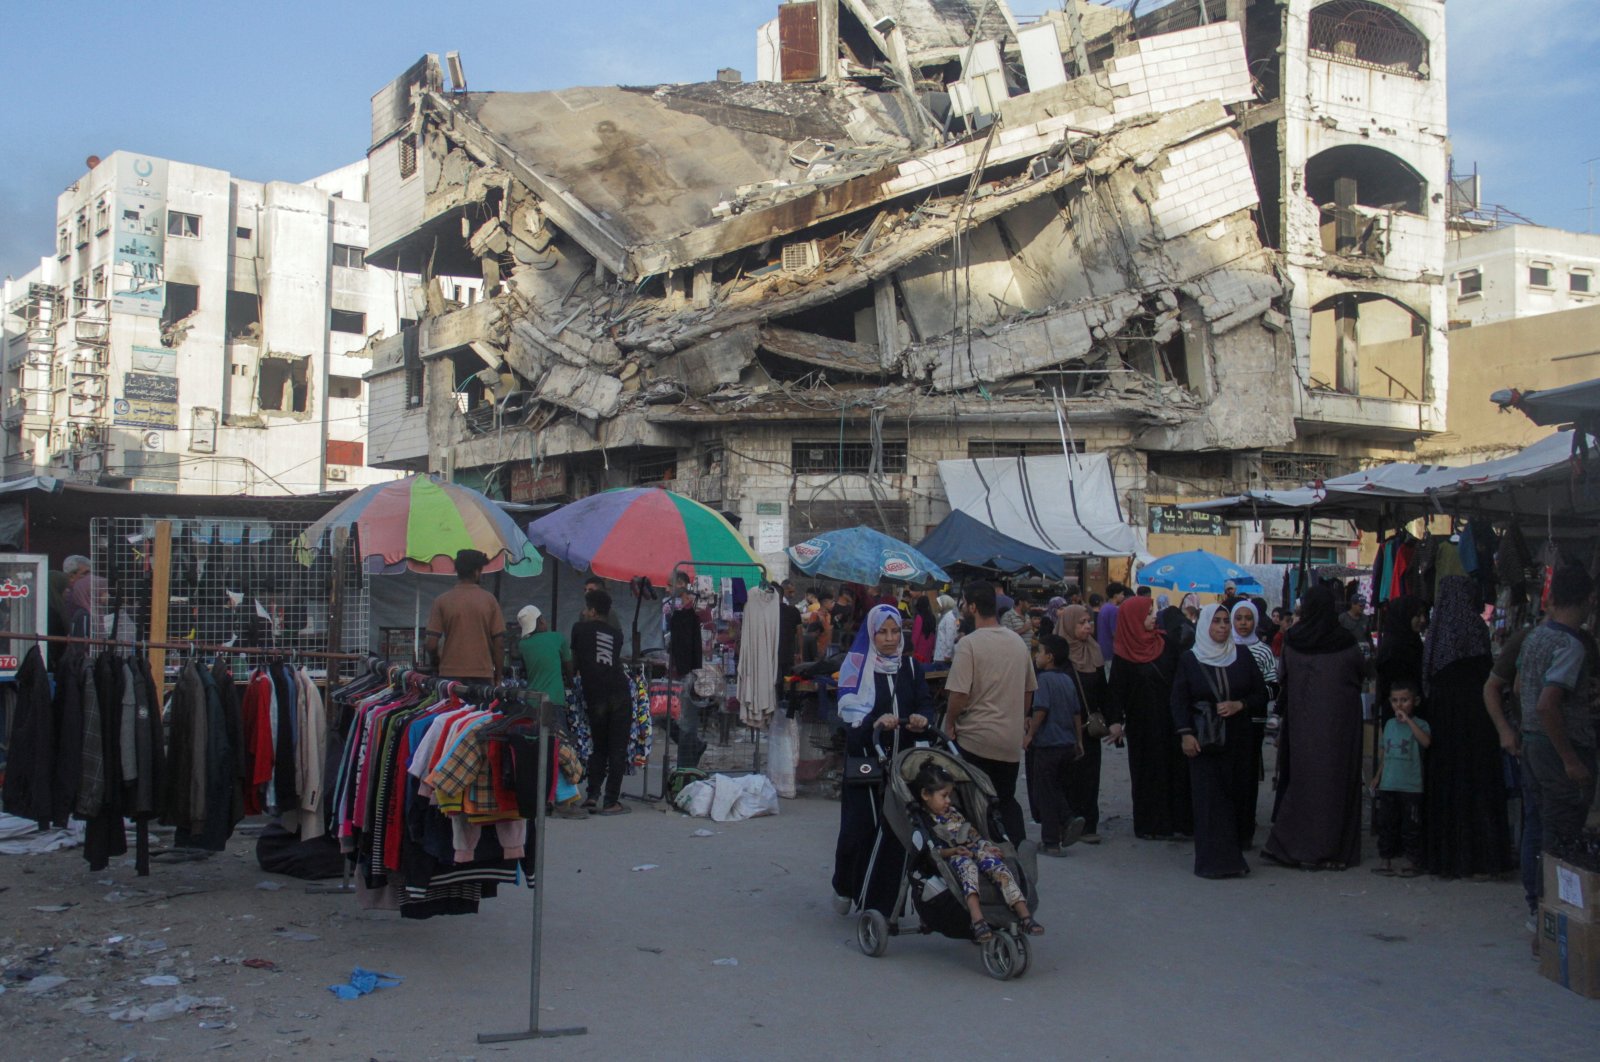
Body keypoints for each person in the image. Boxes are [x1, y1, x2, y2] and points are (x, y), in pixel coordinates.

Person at [831, 605, 933, 914]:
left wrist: (921, 719)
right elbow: (851, 717)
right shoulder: (857, 668)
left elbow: (926, 704)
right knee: (858, 829)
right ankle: (844, 885)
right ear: (871, 633)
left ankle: (879, 902)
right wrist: (876, 721)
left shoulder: (911, 668)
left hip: (903, 764)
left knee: (895, 833)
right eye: (882, 632)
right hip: (865, 762)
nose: (889, 638)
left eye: (894, 631)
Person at [1261, 586, 1366, 870]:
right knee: (1335, 782)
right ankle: (1332, 849)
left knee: (1304, 780)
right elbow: (1360, 671)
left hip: (1303, 720)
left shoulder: (1294, 639)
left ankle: (1296, 844)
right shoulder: (1344, 640)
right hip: (1339, 724)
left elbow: (1284, 676)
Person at [1421, 575, 1513, 879]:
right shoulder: (1475, 627)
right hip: (1476, 721)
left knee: (1449, 785)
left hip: (1444, 720)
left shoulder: (1437, 632)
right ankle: (1484, 858)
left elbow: (1428, 677)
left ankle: (1449, 857)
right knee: (1477, 783)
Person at [1171, 604, 1266, 878]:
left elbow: (1261, 694)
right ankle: (1212, 863)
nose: (1223, 626)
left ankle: (1234, 859)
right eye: (1217, 622)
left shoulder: (1243, 655)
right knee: (1209, 801)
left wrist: (1240, 704)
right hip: (1204, 739)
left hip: (1238, 738)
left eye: (1226, 621)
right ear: (1205, 626)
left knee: (1235, 797)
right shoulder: (1191, 659)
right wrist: (1186, 734)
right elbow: (1179, 700)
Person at [1515, 566, 1597, 875]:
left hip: (1534, 745)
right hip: (1558, 749)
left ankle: (1537, 902)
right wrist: (1570, 759)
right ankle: (1555, 909)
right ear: (1590, 599)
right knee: (1562, 838)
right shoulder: (1571, 645)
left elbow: (1519, 687)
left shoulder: (1536, 636)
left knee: (1538, 826)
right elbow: (1548, 705)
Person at [945, 581, 1035, 846]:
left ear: (972, 607)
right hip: (1009, 741)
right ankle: (1016, 852)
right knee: (1005, 799)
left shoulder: (969, 645)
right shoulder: (1017, 642)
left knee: (970, 801)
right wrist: (1019, 719)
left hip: (976, 738)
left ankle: (977, 858)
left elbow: (959, 694)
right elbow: (1029, 690)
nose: (962, 608)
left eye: (963, 603)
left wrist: (949, 723)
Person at [914, 762, 1044, 941]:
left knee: (999, 867)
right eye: (943, 796)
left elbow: (973, 835)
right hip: (952, 858)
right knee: (968, 868)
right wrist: (954, 851)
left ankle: (1024, 915)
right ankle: (978, 919)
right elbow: (933, 852)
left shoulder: (954, 813)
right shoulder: (924, 821)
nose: (948, 801)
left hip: (973, 850)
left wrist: (986, 847)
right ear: (925, 795)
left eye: (949, 796)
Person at [1110, 594, 1191, 840]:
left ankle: (1181, 822)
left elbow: (1182, 680)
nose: (1153, 616)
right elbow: (1116, 691)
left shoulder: (1167, 645)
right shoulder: (1123, 653)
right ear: (1132, 618)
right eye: (1147, 613)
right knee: (1148, 772)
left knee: (1176, 770)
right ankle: (1151, 824)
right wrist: (1115, 722)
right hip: (1142, 724)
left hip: (1171, 721)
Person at [1483, 621, 1542, 920]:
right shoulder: (1529, 640)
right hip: (1538, 740)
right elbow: (1497, 687)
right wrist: (1506, 731)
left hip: (1533, 738)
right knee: (1538, 822)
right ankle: (1539, 905)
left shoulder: (1576, 640)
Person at [571, 589, 632, 816]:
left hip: (595, 696)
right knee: (617, 748)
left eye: (587, 608)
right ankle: (611, 801)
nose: (584, 612)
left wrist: (572, 679)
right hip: (619, 694)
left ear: (593, 610)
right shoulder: (616, 635)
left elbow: (575, 662)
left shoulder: (579, 629)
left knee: (599, 747)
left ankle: (593, 795)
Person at [1028, 635, 1087, 855]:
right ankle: (1067, 822)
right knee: (1056, 787)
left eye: (1040, 651)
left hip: (1048, 744)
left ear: (1049, 657)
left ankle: (1052, 840)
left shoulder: (1043, 680)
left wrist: (1030, 734)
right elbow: (1076, 712)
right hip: (1067, 743)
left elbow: (1041, 709)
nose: (1037, 656)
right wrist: (1079, 741)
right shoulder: (1067, 680)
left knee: (1045, 791)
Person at [1060, 604, 1113, 844]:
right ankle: (1068, 823)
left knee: (1090, 775)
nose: (1087, 626)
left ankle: (1089, 823)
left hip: (1089, 728)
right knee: (1068, 776)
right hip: (1064, 727)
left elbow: (1103, 689)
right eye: (1081, 623)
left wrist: (1113, 720)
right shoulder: (1060, 654)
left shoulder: (1094, 650)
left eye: (1088, 622)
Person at [1370, 679, 1431, 878]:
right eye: (1395, 700)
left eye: (1404, 700)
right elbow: (1385, 754)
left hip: (1411, 786)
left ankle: (1412, 862)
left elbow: (1426, 742)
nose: (1400, 704)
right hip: (1389, 783)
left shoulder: (1421, 724)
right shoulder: (1388, 725)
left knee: (1411, 826)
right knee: (1387, 824)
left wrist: (1409, 721)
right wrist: (1377, 777)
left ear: (1415, 701)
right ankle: (1385, 860)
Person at [1231, 600, 1277, 847]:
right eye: (1239, 618)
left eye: (1248, 618)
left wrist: (1253, 698)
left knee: (1248, 776)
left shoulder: (1264, 651)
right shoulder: (1222, 647)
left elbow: (1274, 686)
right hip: (1226, 722)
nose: (1243, 623)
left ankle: (1246, 828)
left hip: (1252, 721)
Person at [423, 549, 505, 685]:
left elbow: (431, 644)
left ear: (458, 571)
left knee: (450, 707)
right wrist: (498, 677)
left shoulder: (442, 600)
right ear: (477, 572)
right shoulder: (489, 600)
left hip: (449, 674)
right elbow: (499, 643)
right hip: (482, 674)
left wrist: (437, 665)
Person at [1374, 596, 1427, 717]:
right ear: (1405, 617)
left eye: (1424, 615)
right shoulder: (1394, 650)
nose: (1423, 620)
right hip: (1400, 716)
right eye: (1417, 615)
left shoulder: (1413, 642)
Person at [515, 605, 571, 708]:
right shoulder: (557, 638)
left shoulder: (523, 644)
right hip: (554, 700)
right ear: (541, 621)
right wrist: (571, 684)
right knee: (557, 724)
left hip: (532, 701)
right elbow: (569, 667)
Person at [1096, 583, 1128, 666]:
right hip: (1110, 649)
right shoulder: (1114, 610)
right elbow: (1115, 632)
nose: (1123, 596)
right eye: (1122, 594)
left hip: (1102, 647)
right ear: (1115, 595)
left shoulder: (1104, 607)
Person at [910, 594, 938, 664]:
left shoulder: (919, 617)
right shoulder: (932, 617)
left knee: (918, 665)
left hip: (920, 645)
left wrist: (911, 648)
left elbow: (915, 635)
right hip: (929, 644)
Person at [933, 593, 959, 667]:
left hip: (944, 657)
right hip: (939, 655)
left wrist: (948, 654)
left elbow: (950, 637)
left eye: (938, 604)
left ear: (945, 604)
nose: (937, 606)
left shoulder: (949, 617)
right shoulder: (944, 616)